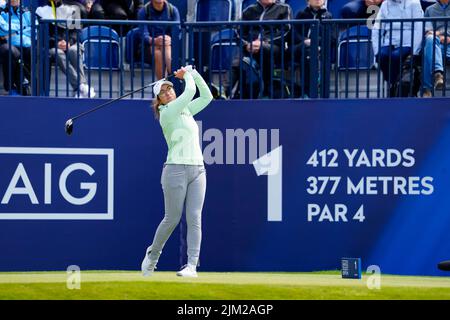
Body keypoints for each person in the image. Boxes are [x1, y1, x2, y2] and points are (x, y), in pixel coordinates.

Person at [141, 65, 213, 278]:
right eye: (162, 92)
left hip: (198, 169)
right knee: (171, 218)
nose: (168, 92)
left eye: (169, 88)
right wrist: (187, 75)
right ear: (159, 101)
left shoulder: (186, 109)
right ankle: (153, 256)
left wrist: (195, 74)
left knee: (194, 217)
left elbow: (207, 96)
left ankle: (191, 266)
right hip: (175, 170)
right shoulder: (167, 112)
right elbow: (190, 92)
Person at [36, 0, 96, 98]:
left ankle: (79, 90)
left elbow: (77, 31)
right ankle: (81, 86)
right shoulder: (40, 11)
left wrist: (69, 42)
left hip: (70, 43)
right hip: (52, 46)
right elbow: (43, 34)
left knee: (74, 50)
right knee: (57, 53)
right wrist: (56, 43)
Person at [234, 0, 292, 98]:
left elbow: (286, 32)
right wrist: (247, 45)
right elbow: (239, 33)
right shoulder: (249, 11)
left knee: (261, 50)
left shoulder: (284, 8)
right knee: (237, 61)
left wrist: (263, 42)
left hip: (274, 47)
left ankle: (264, 88)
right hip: (250, 47)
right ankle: (223, 91)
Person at [371, 0, 424, 97]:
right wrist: (376, 50)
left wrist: (415, 51)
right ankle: (393, 83)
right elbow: (377, 28)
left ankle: (395, 86)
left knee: (395, 57)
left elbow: (419, 27)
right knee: (381, 56)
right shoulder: (385, 4)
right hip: (389, 42)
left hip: (407, 43)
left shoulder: (414, 3)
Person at [291, 0, 332, 97]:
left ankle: (307, 91)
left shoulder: (328, 16)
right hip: (300, 47)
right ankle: (311, 90)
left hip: (319, 49)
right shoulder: (301, 14)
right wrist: (305, 40)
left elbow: (331, 37)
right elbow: (294, 34)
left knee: (309, 52)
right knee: (307, 50)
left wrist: (314, 42)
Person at [137, 0, 180, 80]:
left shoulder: (173, 10)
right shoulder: (144, 11)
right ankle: (175, 77)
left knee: (159, 51)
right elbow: (144, 36)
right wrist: (155, 40)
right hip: (148, 48)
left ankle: (162, 87)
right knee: (158, 50)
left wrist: (167, 39)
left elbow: (176, 33)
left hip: (168, 46)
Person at [0, 0, 32, 95]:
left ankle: (27, 86)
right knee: (12, 52)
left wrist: (14, 32)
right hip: (7, 44)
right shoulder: (2, 11)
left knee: (34, 52)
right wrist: (23, 27)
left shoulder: (27, 11)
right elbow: (3, 29)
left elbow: (34, 30)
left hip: (26, 44)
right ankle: (12, 87)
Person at [422, 0, 450, 97]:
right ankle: (438, 74)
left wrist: (439, 33)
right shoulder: (429, 10)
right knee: (430, 41)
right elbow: (427, 31)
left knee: (429, 52)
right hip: (436, 43)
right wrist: (437, 36)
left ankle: (426, 89)